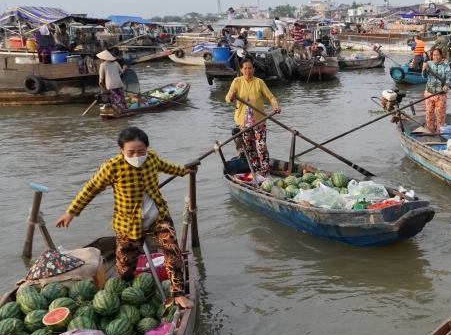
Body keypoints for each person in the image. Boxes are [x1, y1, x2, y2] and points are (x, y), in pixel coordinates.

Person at [55, 127, 199, 309]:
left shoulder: (152, 158)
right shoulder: (112, 167)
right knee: (125, 265)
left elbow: (165, 166)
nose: (137, 156)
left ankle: (177, 293)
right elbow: (91, 189)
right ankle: (127, 292)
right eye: (131, 152)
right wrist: (71, 212)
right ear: (121, 150)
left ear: (147, 149)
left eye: (141, 151)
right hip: (128, 224)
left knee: (172, 249)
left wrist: (183, 171)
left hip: (158, 215)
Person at [226, 59, 281, 175]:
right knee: (250, 148)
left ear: (254, 69)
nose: (247, 71)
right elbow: (228, 99)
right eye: (245, 68)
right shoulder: (237, 81)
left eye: (250, 68)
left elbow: (271, 97)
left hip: (259, 120)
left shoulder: (259, 82)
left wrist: (275, 107)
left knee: (261, 146)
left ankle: (265, 171)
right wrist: (231, 96)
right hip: (243, 122)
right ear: (241, 70)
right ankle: (256, 171)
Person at [422, 47, 451, 134]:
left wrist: (446, 85)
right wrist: (424, 68)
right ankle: (430, 131)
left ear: (441, 55)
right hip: (429, 93)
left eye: (437, 55)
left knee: (440, 115)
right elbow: (424, 76)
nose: (436, 57)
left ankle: (439, 132)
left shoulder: (445, 65)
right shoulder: (429, 64)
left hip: (441, 94)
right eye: (434, 55)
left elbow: (449, 78)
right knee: (429, 113)